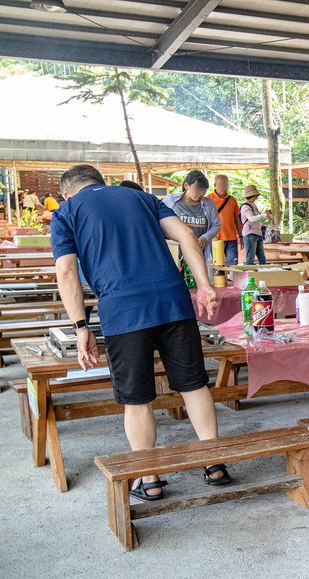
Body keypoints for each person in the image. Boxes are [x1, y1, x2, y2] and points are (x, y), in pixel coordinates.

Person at [50, 165, 227, 501]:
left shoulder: (66, 212)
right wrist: (204, 286)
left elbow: (66, 272)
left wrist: (80, 327)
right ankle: (214, 464)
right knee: (193, 384)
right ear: (101, 182)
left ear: (67, 192)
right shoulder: (141, 197)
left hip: (122, 309)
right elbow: (187, 236)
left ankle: (149, 479)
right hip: (172, 300)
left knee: (137, 398)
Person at [162, 170, 220, 268]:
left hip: (198, 253)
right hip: (175, 252)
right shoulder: (170, 201)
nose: (201, 193)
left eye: (203, 190)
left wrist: (205, 238)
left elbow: (216, 225)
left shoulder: (209, 204)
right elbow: (160, 222)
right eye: (197, 189)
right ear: (186, 186)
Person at [207, 174, 242, 266]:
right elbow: (205, 220)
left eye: (226, 184)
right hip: (215, 239)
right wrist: (211, 235)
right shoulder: (208, 199)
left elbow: (237, 219)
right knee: (219, 266)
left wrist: (241, 236)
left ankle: (233, 281)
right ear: (215, 185)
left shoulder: (232, 200)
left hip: (231, 238)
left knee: (233, 265)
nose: (224, 186)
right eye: (221, 184)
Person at [240, 184, 269, 265]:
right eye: (255, 196)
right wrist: (263, 215)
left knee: (262, 258)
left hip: (257, 233)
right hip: (250, 234)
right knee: (250, 259)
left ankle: (263, 275)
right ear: (252, 196)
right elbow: (251, 218)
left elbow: (257, 218)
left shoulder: (253, 205)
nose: (256, 197)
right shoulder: (245, 206)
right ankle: (249, 276)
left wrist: (265, 215)